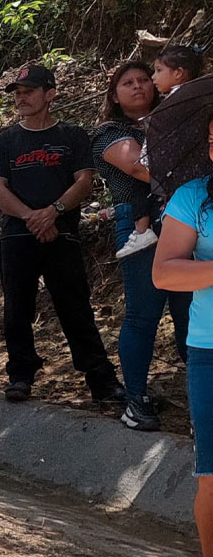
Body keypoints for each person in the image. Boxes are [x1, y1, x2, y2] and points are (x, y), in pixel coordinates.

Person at [0, 64, 124, 406]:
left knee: (74, 305)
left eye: (29, 91)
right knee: (17, 308)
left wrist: (53, 212)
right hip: (18, 235)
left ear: (50, 94)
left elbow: (84, 181)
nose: (21, 97)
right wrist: (32, 216)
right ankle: (20, 374)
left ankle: (100, 380)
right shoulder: (5, 141)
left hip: (62, 232)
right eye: (17, 92)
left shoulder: (73, 136)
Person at [91, 60, 190, 431]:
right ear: (114, 95)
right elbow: (139, 168)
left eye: (144, 80)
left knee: (189, 314)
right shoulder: (108, 132)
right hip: (136, 224)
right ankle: (136, 397)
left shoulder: (175, 119)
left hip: (185, 220)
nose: (138, 87)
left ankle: (200, 402)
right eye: (127, 83)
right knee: (143, 315)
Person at [149, 118, 213, 557]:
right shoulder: (194, 195)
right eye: (212, 137)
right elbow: (166, 270)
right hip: (209, 350)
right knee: (211, 477)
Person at [121, 46, 209, 259]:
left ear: (178, 73)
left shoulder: (175, 104)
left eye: (159, 70)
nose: (153, 77)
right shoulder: (201, 95)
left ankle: (141, 230)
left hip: (185, 176)